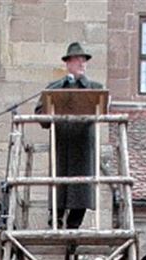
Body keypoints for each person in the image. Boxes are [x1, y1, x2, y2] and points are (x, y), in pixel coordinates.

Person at [36, 42, 102, 229]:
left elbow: (103, 107)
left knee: (81, 187)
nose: (82, 64)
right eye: (77, 60)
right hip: (62, 143)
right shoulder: (55, 88)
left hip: (82, 146)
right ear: (68, 63)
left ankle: (74, 224)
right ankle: (55, 217)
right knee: (59, 183)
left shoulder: (94, 88)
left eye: (84, 60)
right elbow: (41, 115)